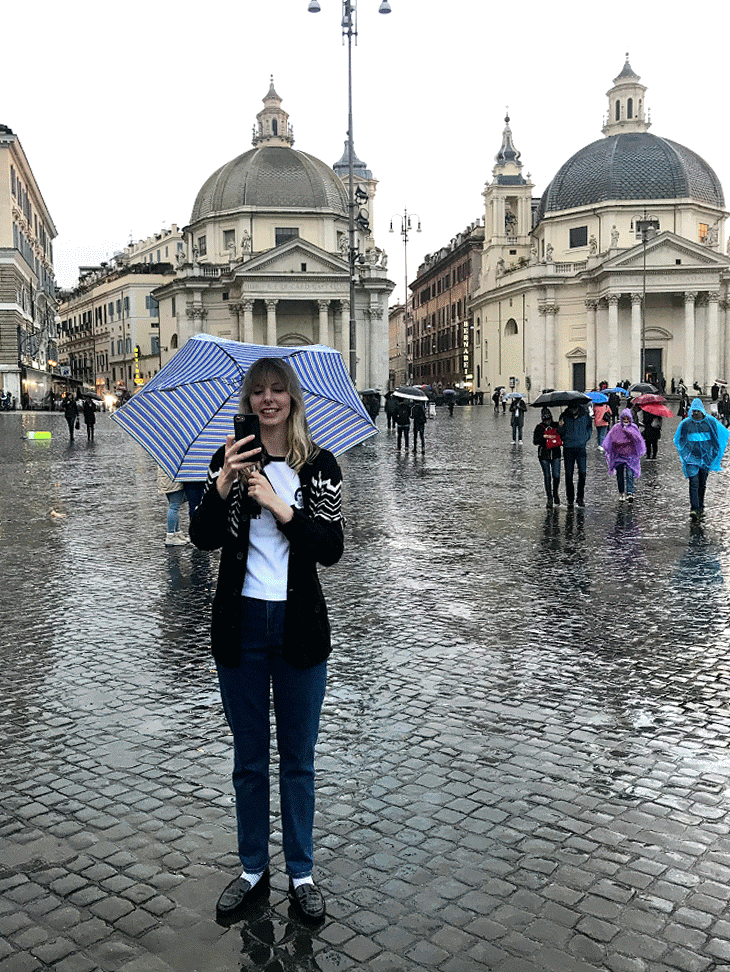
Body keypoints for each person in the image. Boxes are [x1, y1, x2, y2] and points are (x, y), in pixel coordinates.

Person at [188, 357, 343, 926]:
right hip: (243, 624)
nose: (269, 400)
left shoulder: (320, 465)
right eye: (259, 392)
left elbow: (329, 547)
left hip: (300, 627)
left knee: (297, 760)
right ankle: (253, 867)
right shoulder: (227, 459)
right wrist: (223, 484)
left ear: (292, 398)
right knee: (250, 760)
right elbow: (203, 539)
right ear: (248, 400)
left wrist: (282, 507)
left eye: (278, 390)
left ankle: (301, 871)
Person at [674, 398, 730, 522]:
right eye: (693, 411)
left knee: (702, 483)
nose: (694, 413)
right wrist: (685, 453)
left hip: (706, 458)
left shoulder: (710, 422)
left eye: (697, 411)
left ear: (702, 411)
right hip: (692, 458)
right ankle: (694, 507)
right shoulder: (686, 423)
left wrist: (713, 455)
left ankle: (700, 505)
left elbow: (715, 440)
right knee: (693, 482)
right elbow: (681, 439)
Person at [603, 408, 646, 503]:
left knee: (630, 474)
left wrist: (629, 434)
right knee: (620, 475)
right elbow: (611, 439)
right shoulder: (616, 428)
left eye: (627, 418)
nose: (626, 420)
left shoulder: (633, 428)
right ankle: (621, 492)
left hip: (630, 456)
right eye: (624, 418)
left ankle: (630, 492)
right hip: (619, 456)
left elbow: (638, 440)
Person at [558, 402, 592, 509]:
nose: (573, 410)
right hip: (568, 448)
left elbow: (589, 428)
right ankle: (570, 498)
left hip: (581, 448)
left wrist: (585, 438)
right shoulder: (563, 416)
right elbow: (560, 432)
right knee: (569, 474)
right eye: (571, 408)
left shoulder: (584, 415)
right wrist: (561, 429)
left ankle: (580, 497)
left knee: (582, 473)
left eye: (574, 408)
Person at [533, 407, 562, 507]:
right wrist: (544, 437)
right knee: (547, 476)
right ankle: (549, 497)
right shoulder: (539, 427)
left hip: (556, 453)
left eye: (549, 419)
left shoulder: (556, 425)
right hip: (544, 454)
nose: (548, 421)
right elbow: (535, 441)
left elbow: (562, 434)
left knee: (556, 475)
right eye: (546, 420)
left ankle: (555, 492)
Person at [157, 468, 188, 545]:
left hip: (165, 481)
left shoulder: (164, 457)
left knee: (173, 506)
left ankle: (177, 533)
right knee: (174, 507)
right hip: (174, 481)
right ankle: (170, 536)